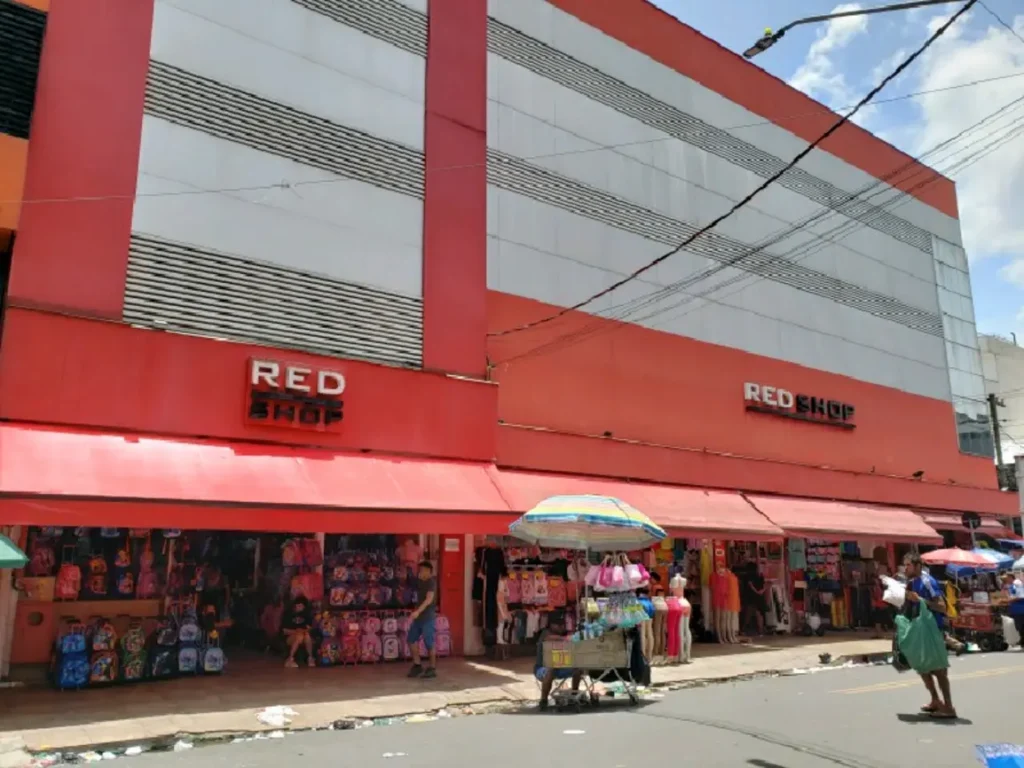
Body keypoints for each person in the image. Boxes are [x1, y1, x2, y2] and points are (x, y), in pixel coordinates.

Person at [903, 554, 956, 719]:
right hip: (919, 629)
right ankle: (935, 700)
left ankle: (949, 707)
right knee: (922, 667)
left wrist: (920, 600)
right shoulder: (912, 583)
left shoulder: (928, 581)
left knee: (939, 670)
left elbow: (941, 606)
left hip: (933, 629)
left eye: (908, 565)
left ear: (918, 566)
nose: (905, 569)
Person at [535, 610, 583, 711]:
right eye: (558, 625)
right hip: (542, 668)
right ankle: (543, 700)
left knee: (578, 667)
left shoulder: (564, 634)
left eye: (562, 625)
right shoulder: (545, 633)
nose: (561, 627)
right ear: (551, 625)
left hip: (561, 666)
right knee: (551, 668)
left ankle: (574, 695)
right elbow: (549, 638)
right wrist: (567, 638)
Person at [407, 560, 438, 679]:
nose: (420, 572)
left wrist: (418, 611)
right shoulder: (419, 581)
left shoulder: (431, 582)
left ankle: (432, 668)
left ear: (429, 571)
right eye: (420, 570)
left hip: (427, 617)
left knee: (429, 642)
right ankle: (417, 665)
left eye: (423, 570)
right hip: (418, 618)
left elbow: (429, 600)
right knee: (411, 639)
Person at [282, 592, 315, 668]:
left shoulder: (306, 615)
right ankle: (290, 659)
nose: (299, 607)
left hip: (303, 635)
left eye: (301, 606)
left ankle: (310, 658)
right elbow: (284, 630)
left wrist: (304, 631)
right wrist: (297, 631)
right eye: (298, 605)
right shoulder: (288, 614)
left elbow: (309, 628)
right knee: (299, 636)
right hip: (290, 636)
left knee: (307, 636)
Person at [1002, 572, 1024, 648]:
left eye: (1006, 578)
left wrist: (1009, 600)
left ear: (1010, 577)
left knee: (1021, 627)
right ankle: (1022, 642)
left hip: (1020, 610)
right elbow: (1011, 596)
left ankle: (1022, 642)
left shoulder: (1017, 584)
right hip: (1015, 610)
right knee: (1019, 627)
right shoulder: (1011, 586)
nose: (1005, 580)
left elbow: (1021, 596)